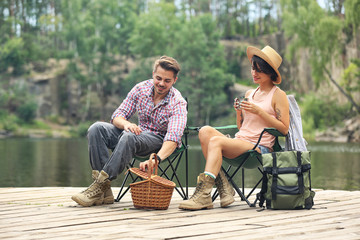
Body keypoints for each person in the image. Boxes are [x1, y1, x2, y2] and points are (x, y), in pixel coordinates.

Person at [179, 45, 290, 210]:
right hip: (241, 141)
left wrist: (260, 112)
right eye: (253, 68)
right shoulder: (249, 94)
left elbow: (284, 129)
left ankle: (204, 195)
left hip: (260, 148)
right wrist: (239, 112)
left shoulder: (278, 94)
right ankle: (224, 186)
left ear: (270, 73)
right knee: (204, 131)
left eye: (259, 70)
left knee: (216, 141)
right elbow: (242, 127)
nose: (254, 73)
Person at [72, 56, 187, 207]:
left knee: (129, 136)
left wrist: (156, 159)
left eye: (167, 81)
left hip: (157, 141)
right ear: (153, 74)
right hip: (135, 134)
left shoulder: (178, 102)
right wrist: (126, 124)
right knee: (96, 128)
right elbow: (117, 116)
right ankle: (104, 193)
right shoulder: (140, 89)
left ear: (174, 80)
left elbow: (172, 139)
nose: (161, 83)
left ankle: (98, 186)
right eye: (158, 78)